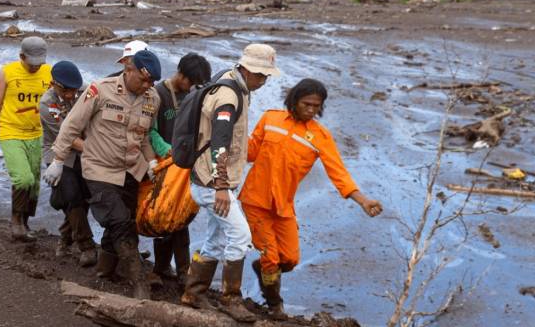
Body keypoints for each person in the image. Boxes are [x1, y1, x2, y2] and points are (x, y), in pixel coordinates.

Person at [239, 78, 383, 319]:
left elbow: (338, 172)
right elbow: (250, 152)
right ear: (294, 100)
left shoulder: (320, 136)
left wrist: (362, 200)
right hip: (255, 199)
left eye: (317, 106)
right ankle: (275, 306)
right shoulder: (270, 119)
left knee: (291, 258)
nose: (311, 109)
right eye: (307, 104)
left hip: (283, 205)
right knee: (271, 257)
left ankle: (263, 269)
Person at [43, 50, 162, 299]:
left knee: (126, 222)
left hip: (132, 169)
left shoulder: (152, 98)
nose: (147, 86)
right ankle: (139, 280)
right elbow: (71, 126)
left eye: (151, 82)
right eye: (143, 80)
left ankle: (105, 271)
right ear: (128, 70)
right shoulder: (100, 90)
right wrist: (57, 160)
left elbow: (144, 138)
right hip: (100, 169)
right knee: (117, 220)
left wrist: (151, 161)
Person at [180, 44, 280, 323]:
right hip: (212, 184)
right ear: (246, 68)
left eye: (266, 76)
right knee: (240, 236)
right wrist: (222, 187)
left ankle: (193, 293)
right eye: (260, 75)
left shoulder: (233, 82)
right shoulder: (228, 96)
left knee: (217, 238)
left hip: (210, 180)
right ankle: (231, 298)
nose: (263, 80)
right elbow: (220, 142)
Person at [0, 36, 51, 242]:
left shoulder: (49, 72)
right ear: (21, 56)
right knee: (23, 178)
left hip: (37, 134)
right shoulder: (6, 73)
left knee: (34, 183)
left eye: (40, 63)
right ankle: (16, 221)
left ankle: (25, 222)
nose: (36, 67)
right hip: (11, 132)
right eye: (32, 63)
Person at [148, 53, 212, 287]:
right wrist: (168, 151)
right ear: (180, 74)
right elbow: (149, 130)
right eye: (190, 81)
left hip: (184, 166)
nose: (192, 87)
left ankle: (180, 270)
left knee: (182, 216)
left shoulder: (193, 95)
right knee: (164, 215)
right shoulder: (158, 94)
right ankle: (162, 268)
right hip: (164, 164)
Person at [39, 61, 97, 267]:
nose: (71, 96)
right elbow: (67, 137)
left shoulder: (86, 91)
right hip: (58, 153)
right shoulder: (47, 104)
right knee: (71, 195)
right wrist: (98, 150)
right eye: (67, 91)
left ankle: (65, 237)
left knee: (87, 196)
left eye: (75, 90)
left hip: (85, 150)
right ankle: (87, 245)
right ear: (54, 84)